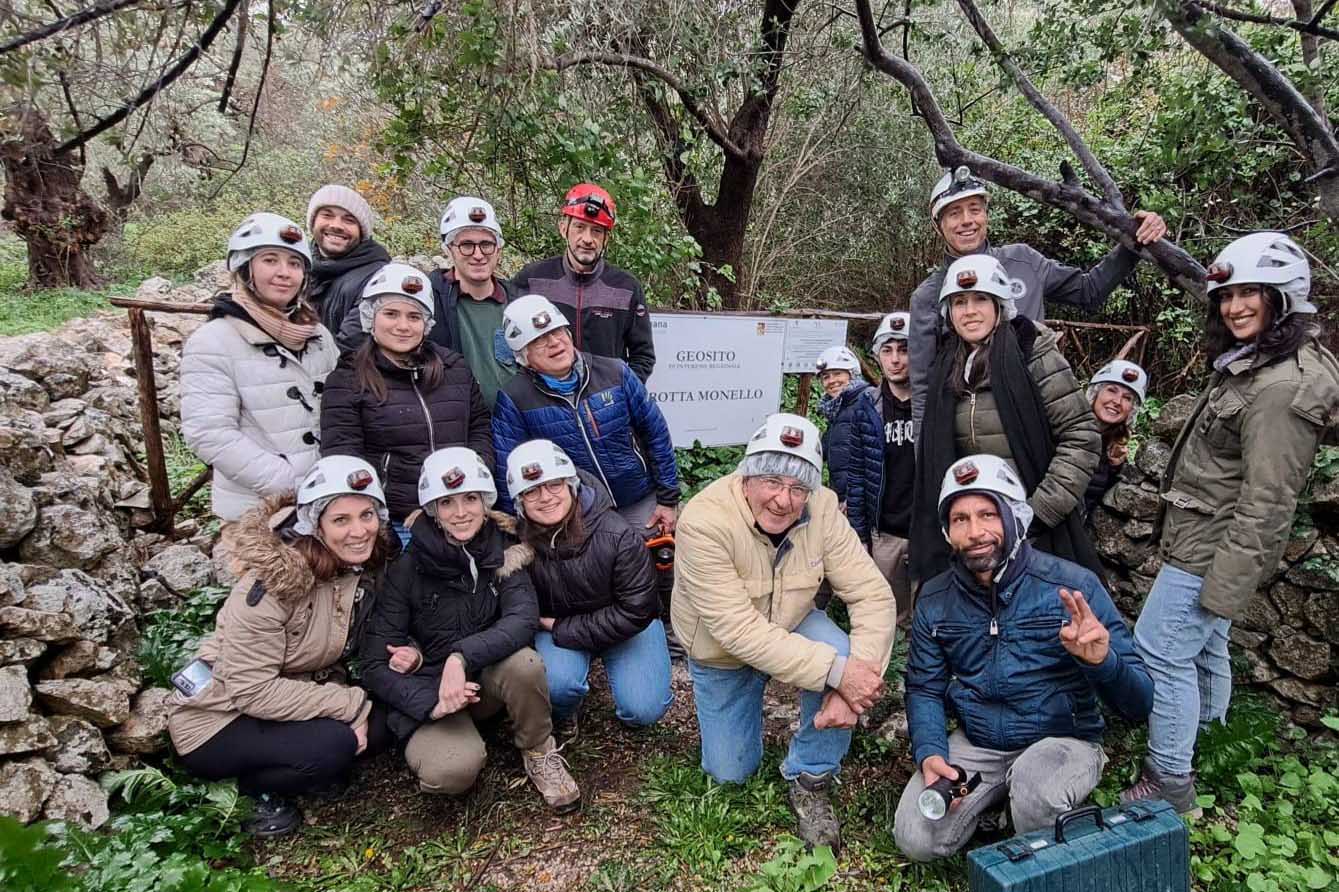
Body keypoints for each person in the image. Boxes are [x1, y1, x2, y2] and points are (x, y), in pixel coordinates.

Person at [1122, 232, 1339, 813]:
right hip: (1201, 536)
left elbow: (1269, 501)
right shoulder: (1255, 363)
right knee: (1204, 649)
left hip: (1214, 547)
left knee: (1160, 650)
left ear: (1283, 297)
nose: (1235, 307)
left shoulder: (1282, 387)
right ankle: (1212, 745)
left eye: (1250, 294)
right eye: (1227, 296)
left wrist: (1224, 585)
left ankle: (1169, 780)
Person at [895, 454, 1152, 861]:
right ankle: (1001, 803)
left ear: (1015, 518)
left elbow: (1140, 704)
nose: (976, 532)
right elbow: (924, 687)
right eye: (960, 519)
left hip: (1060, 740)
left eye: (988, 514)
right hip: (979, 743)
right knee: (916, 837)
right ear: (947, 531)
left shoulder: (1073, 586)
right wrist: (930, 752)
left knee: (1037, 792)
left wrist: (1103, 662)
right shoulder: (936, 597)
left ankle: (1039, 808)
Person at [672, 413, 896, 852]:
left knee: (844, 653)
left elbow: (873, 594)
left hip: (791, 620)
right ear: (747, 476)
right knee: (730, 774)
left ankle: (811, 775)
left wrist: (857, 681)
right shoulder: (703, 521)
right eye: (773, 481)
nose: (783, 500)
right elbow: (737, 630)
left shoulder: (824, 509)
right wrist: (838, 674)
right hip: (723, 650)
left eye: (798, 488)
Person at [167, 456, 396, 837]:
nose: (359, 531)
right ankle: (252, 792)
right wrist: (350, 704)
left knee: (387, 722)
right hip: (220, 716)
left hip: (293, 695)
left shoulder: (359, 569)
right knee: (334, 744)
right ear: (315, 525)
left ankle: (303, 763)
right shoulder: (273, 585)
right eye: (341, 520)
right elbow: (252, 690)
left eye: (367, 515)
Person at [359, 447, 580, 811]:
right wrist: (431, 704)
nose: (461, 513)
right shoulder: (406, 568)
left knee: (525, 664)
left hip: (486, 677)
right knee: (451, 773)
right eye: (447, 503)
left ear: (485, 502)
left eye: (471, 499)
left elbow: (522, 619)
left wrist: (460, 657)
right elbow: (374, 661)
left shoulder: (505, 549)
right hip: (431, 690)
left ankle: (539, 749)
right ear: (432, 509)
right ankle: (455, 740)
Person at [909, 166, 1168, 432]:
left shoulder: (1024, 261)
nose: (967, 220)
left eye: (975, 209)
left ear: (986, 214)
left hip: (1037, 419)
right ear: (938, 224)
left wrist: (1135, 238)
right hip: (971, 432)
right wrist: (927, 462)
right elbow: (922, 390)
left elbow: (1088, 291)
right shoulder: (928, 296)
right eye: (954, 213)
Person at [910, 254, 1102, 584]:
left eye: (980, 299)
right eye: (959, 302)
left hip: (1034, 531)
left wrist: (1038, 512)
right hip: (971, 534)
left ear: (1000, 303)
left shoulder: (1032, 351)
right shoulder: (945, 365)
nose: (969, 311)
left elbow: (1081, 435)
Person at [506, 439, 672, 739]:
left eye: (555, 485)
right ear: (519, 503)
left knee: (644, 709)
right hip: (558, 628)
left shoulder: (618, 535)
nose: (546, 497)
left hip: (624, 624)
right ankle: (567, 711)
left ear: (572, 485)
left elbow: (637, 611)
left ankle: (629, 699)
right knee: (558, 687)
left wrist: (560, 626)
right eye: (531, 491)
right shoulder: (515, 543)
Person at [320, 263, 493, 548]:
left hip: (462, 509)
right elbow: (344, 458)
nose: (403, 326)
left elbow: (479, 428)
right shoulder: (347, 380)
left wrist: (472, 485)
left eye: (414, 316)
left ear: (426, 325)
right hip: (401, 520)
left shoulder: (455, 368)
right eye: (391, 314)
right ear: (370, 318)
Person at [181, 212, 337, 524]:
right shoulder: (213, 341)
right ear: (245, 267)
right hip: (259, 511)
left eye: (294, 264)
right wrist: (290, 482)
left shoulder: (317, 336)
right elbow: (210, 433)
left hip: (326, 500)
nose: (284, 273)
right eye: (270, 260)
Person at [492, 294, 679, 536]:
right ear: (524, 357)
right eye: (539, 340)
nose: (554, 343)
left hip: (638, 499)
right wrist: (522, 529)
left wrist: (667, 498)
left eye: (557, 332)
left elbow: (656, 433)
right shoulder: (515, 398)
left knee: (653, 565)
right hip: (576, 515)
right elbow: (509, 466)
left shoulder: (615, 372)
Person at [511, 183, 655, 381]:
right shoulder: (532, 279)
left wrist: (621, 396)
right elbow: (512, 347)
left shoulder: (626, 287)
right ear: (563, 229)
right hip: (547, 403)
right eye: (579, 227)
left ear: (606, 239)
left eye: (597, 231)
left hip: (606, 404)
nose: (587, 239)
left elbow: (643, 356)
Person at [871, 312, 916, 621]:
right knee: (888, 615)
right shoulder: (867, 408)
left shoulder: (937, 405)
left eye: (905, 349)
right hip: (884, 533)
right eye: (887, 351)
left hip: (929, 531)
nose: (896, 360)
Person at [815, 345, 883, 546]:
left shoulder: (866, 402)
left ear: (852, 373)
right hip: (844, 500)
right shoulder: (838, 408)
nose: (832, 381)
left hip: (861, 506)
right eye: (826, 377)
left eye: (838, 373)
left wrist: (852, 502)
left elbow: (873, 458)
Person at [305, 184, 391, 337]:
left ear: (361, 232)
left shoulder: (377, 279)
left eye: (349, 220)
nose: (336, 225)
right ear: (313, 223)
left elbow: (350, 346)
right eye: (327, 215)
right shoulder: (296, 268)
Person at [1082, 359, 1147, 519]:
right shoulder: (1063, 428)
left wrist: (1114, 469)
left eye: (1127, 398)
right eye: (1112, 390)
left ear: (1132, 409)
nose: (1117, 402)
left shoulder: (1112, 448)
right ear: (1095, 393)